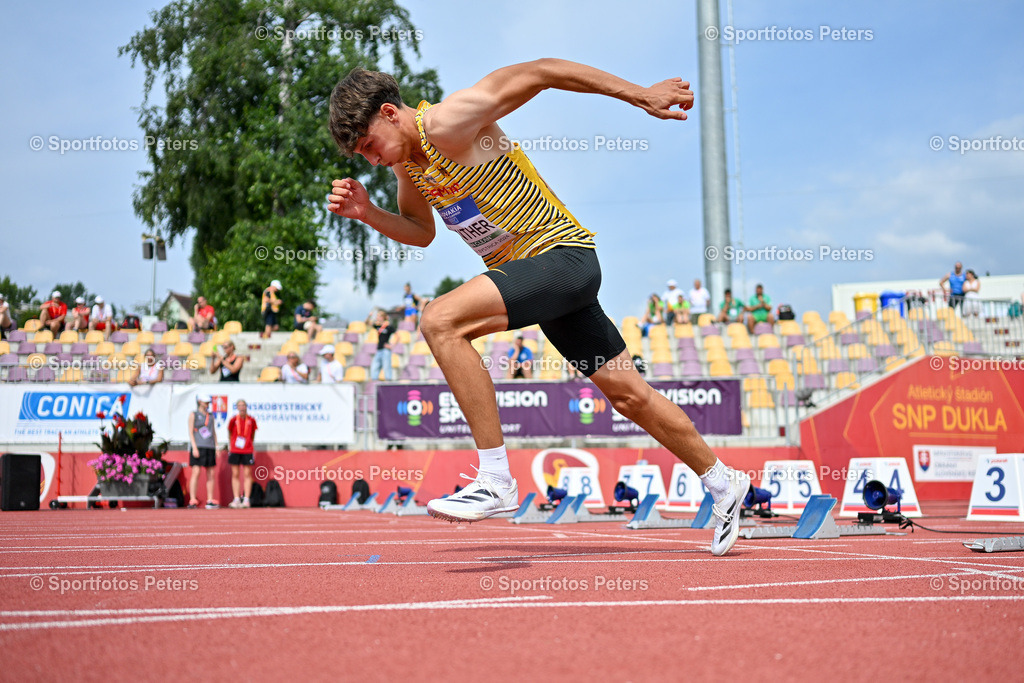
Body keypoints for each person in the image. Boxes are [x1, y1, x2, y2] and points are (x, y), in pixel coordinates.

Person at [326, 59, 750, 556]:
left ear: (389, 113)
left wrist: (640, 94)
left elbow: (544, 71)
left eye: (370, 146)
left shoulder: (450, 120)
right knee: (630, 396)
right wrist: (368, 213)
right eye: (362, 156)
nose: (371, 161)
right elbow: (421, 232)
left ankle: (496, 477)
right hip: (542, 286)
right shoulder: (408, 164)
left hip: (562, 259)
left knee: (439, 320)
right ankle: (724, 481)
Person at [187, 394, 219, 509]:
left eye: (208, 402)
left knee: (211, 473)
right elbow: (191, 432)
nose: (207, 404)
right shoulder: (193, 414)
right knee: (196, 471)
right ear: (199, 401)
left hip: (209, 446)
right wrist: (194, 447)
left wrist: (216, 446)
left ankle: (210, 499)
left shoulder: (210, 416)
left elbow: (213, 432)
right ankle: (192, 499)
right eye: (205, 402)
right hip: (198, 446)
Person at [226, 399, 258, 509]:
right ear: (237, 407)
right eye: (240, 405)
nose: (242, 407)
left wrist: (248, 443)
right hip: (235, 449)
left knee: (247, 474)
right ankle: (236, 498)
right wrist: (233, 444)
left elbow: (253, 434)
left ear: (246, 406)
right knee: (235, 474)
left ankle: (246, 499)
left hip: (247, 450)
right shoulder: (234, 420)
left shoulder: (251, 420)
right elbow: (230, 432)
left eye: (243, 405)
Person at [369, 309, 394, 381]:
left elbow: (397, 336)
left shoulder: (388, 327)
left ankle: (388, 383)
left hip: (386, 350)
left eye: (378, 316)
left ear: (383, 317)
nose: (377, 318)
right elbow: (367, 323)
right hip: (379, 349)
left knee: (387, 368)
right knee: (374, 368)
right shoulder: (378, 326)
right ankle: (374, 383)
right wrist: (369, 316)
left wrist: (392, 346)